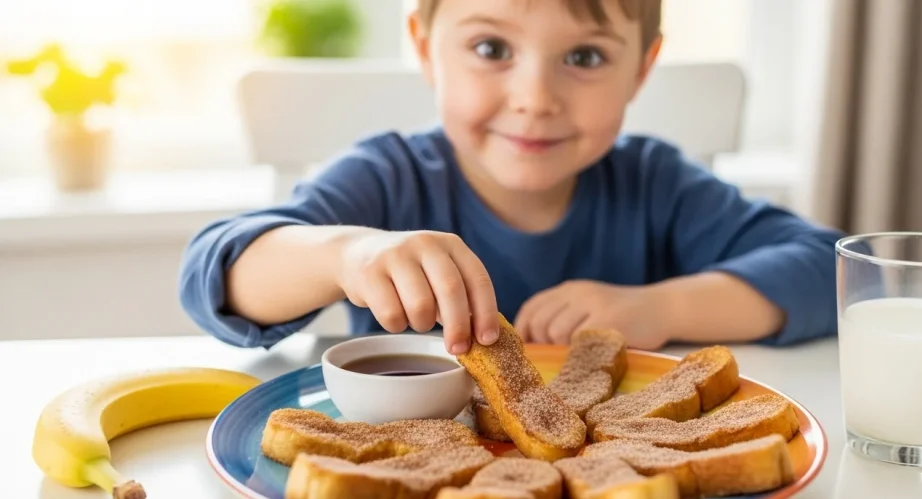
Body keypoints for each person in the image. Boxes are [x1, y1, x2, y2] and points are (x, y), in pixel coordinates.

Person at [178, 0, 843, 356]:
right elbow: (215, 276)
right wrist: (346, 255)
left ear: (641, 68)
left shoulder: (655, 184)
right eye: (491, 49)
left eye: (583, 56)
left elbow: (829, 269)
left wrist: (660, 307)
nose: (535, 97)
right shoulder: (389, 180)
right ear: (423, 47)